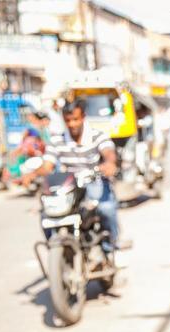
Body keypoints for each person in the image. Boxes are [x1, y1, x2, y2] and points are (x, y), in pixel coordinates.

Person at [20, 99, 120, 250]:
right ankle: (58, 250)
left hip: (94, 182)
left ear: (83, 117)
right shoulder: (57, 140)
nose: (72, 124)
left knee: (106, 209)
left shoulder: (97, 136)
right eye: (68, 120)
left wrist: (110, 163)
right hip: (71, 188)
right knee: (47, 215)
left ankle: (111, 247)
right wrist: (32, 174)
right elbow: (48, 165)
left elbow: (108, 152)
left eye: (75, 119)